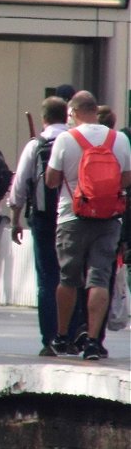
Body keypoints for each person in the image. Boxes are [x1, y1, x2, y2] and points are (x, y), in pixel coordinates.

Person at [45, 90, 131, 360]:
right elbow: (126, 179)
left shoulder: (65, 139)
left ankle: (61, 336)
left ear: (74, 112)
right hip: (108, 219)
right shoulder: (119, 139)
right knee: (99, 278)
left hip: (72, 217)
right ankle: (93, 341)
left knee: (68, 278)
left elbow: (51, 180)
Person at [7, 96, 68, 356]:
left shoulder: (36, 145)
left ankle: (50, 338)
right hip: (75, 218)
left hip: (43, 219)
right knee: (73, 277)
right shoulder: (77, 141)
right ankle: (75, 334)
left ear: (44, 119)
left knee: (47, 278)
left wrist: (14, 220)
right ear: (67, 116)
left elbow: (19, 186)